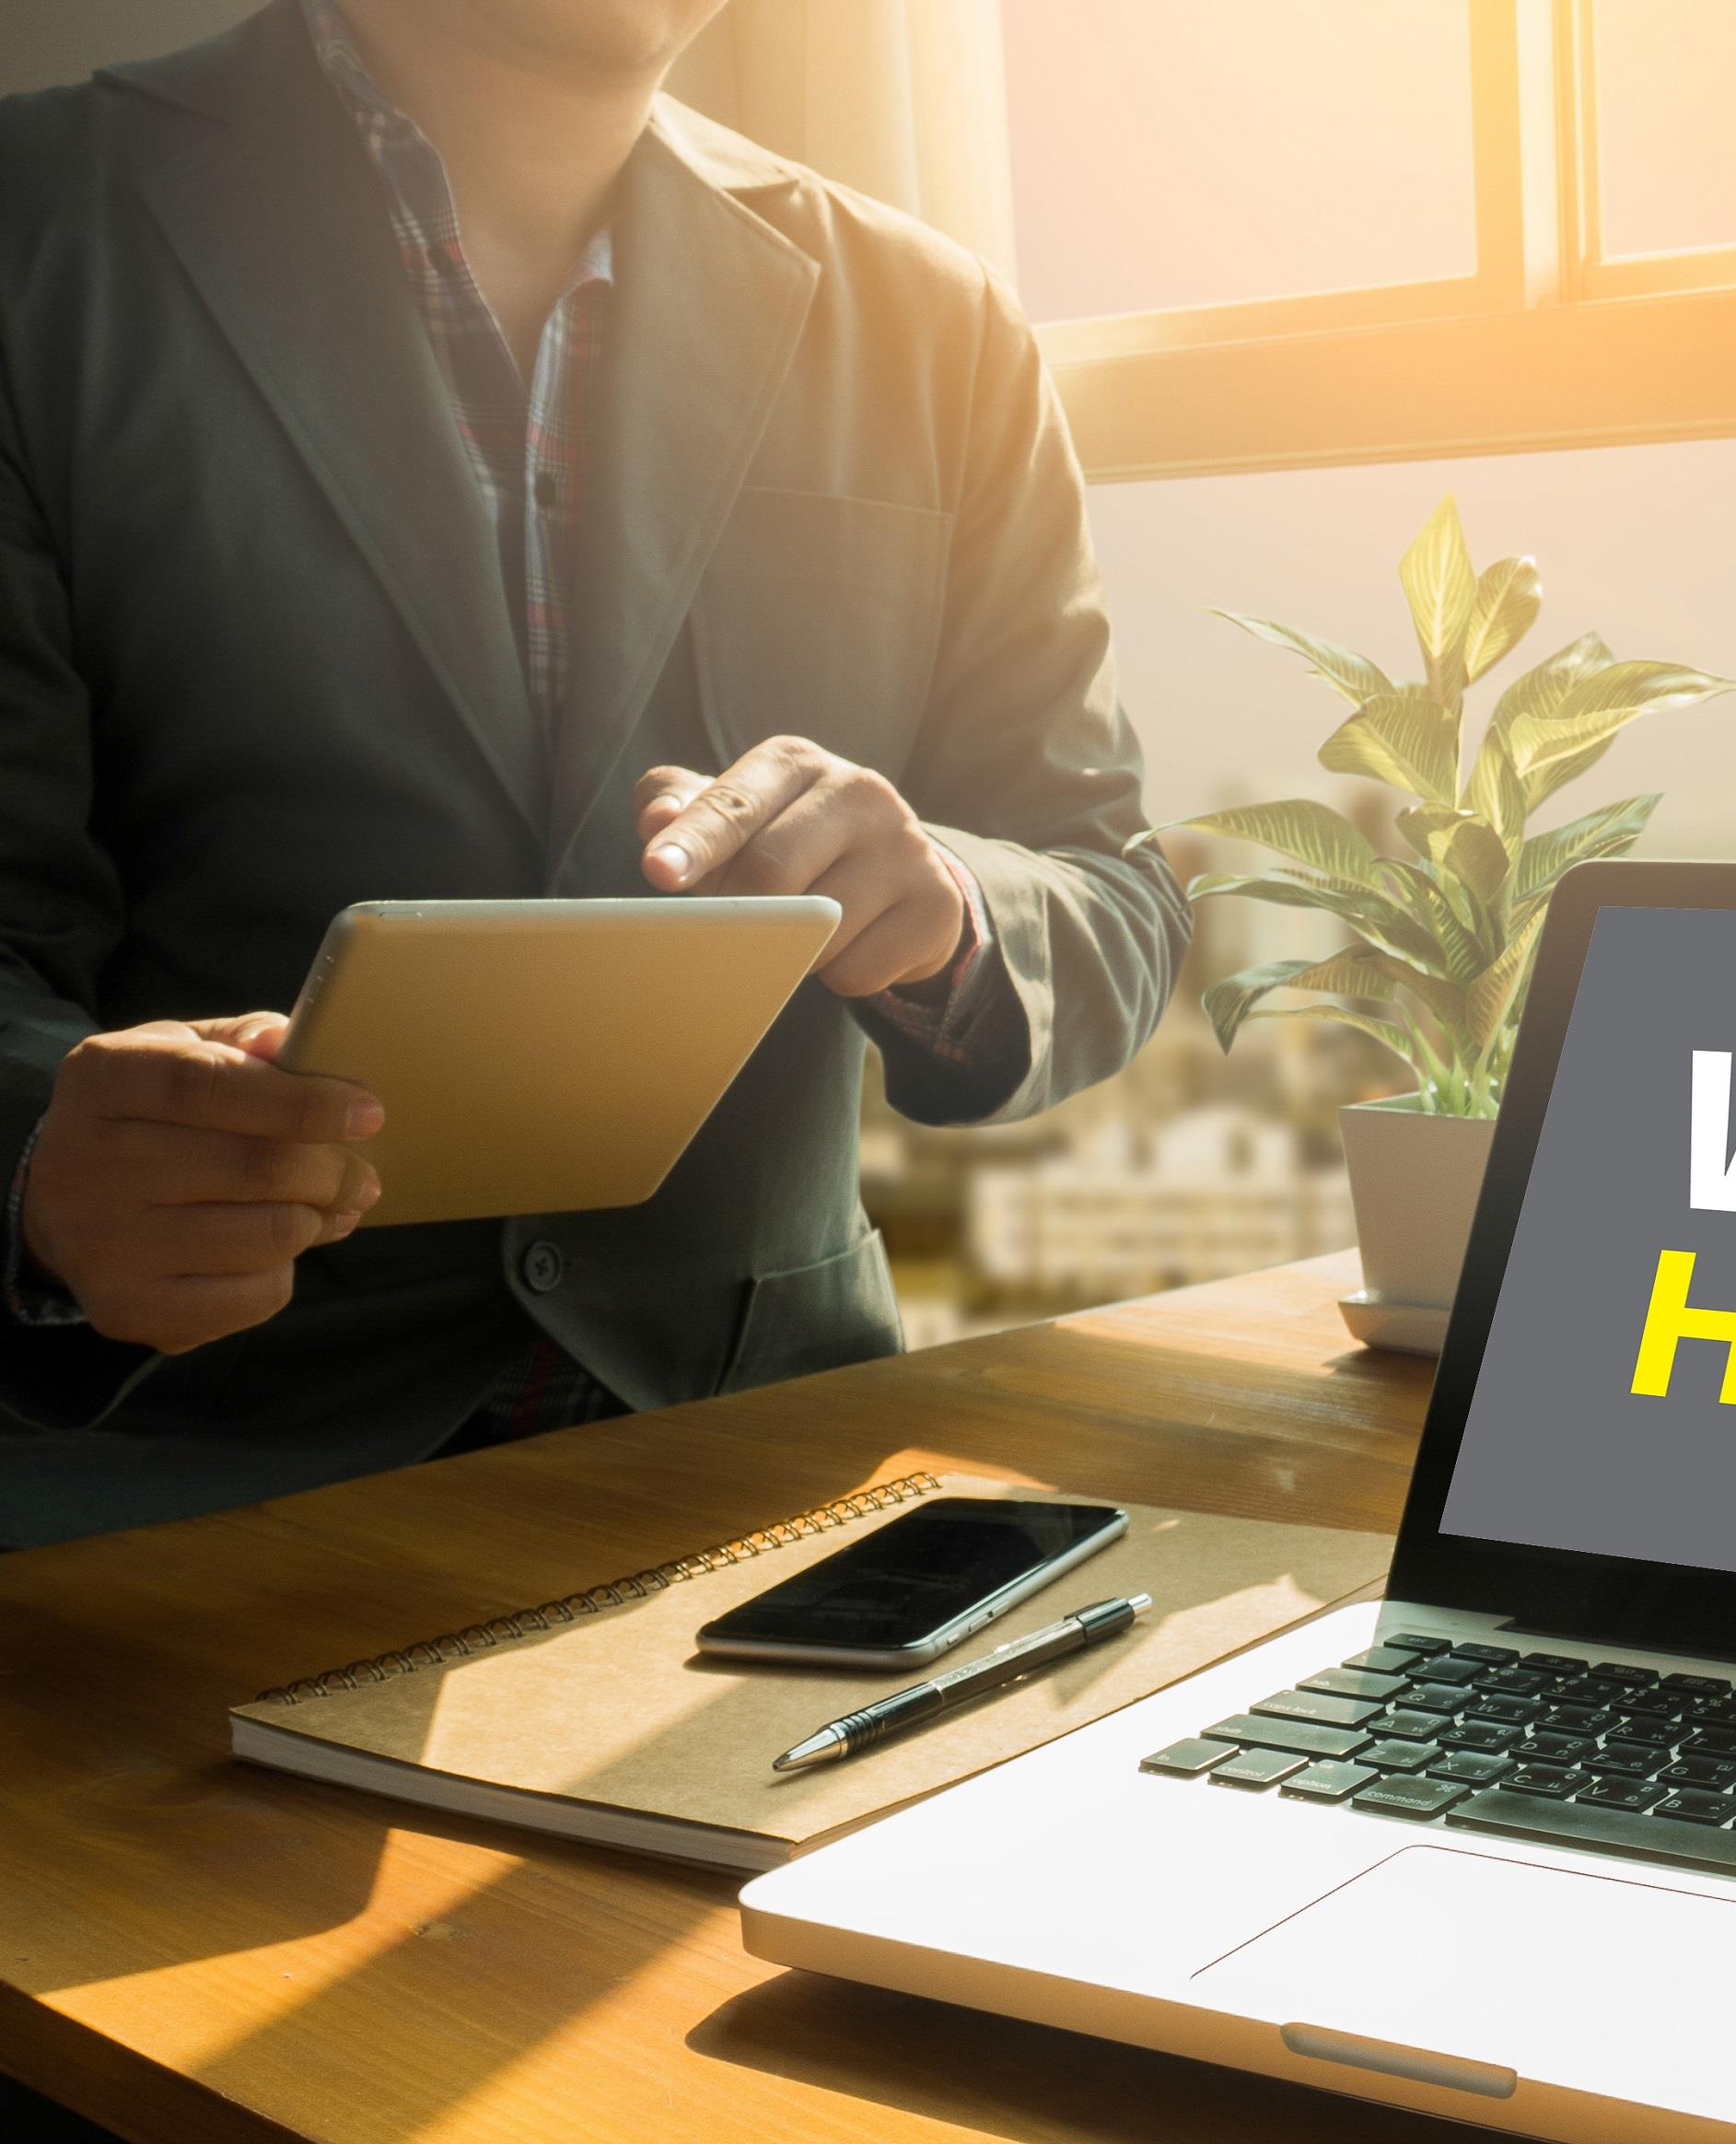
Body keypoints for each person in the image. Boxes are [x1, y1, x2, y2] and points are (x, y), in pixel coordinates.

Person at [0, 0, 1187, 1544]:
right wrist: (39, 1163)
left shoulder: (935, 322)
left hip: (773, 1490)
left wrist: (949, 911)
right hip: (173, 1503)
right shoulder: (38, 235)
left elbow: (1110, 891)